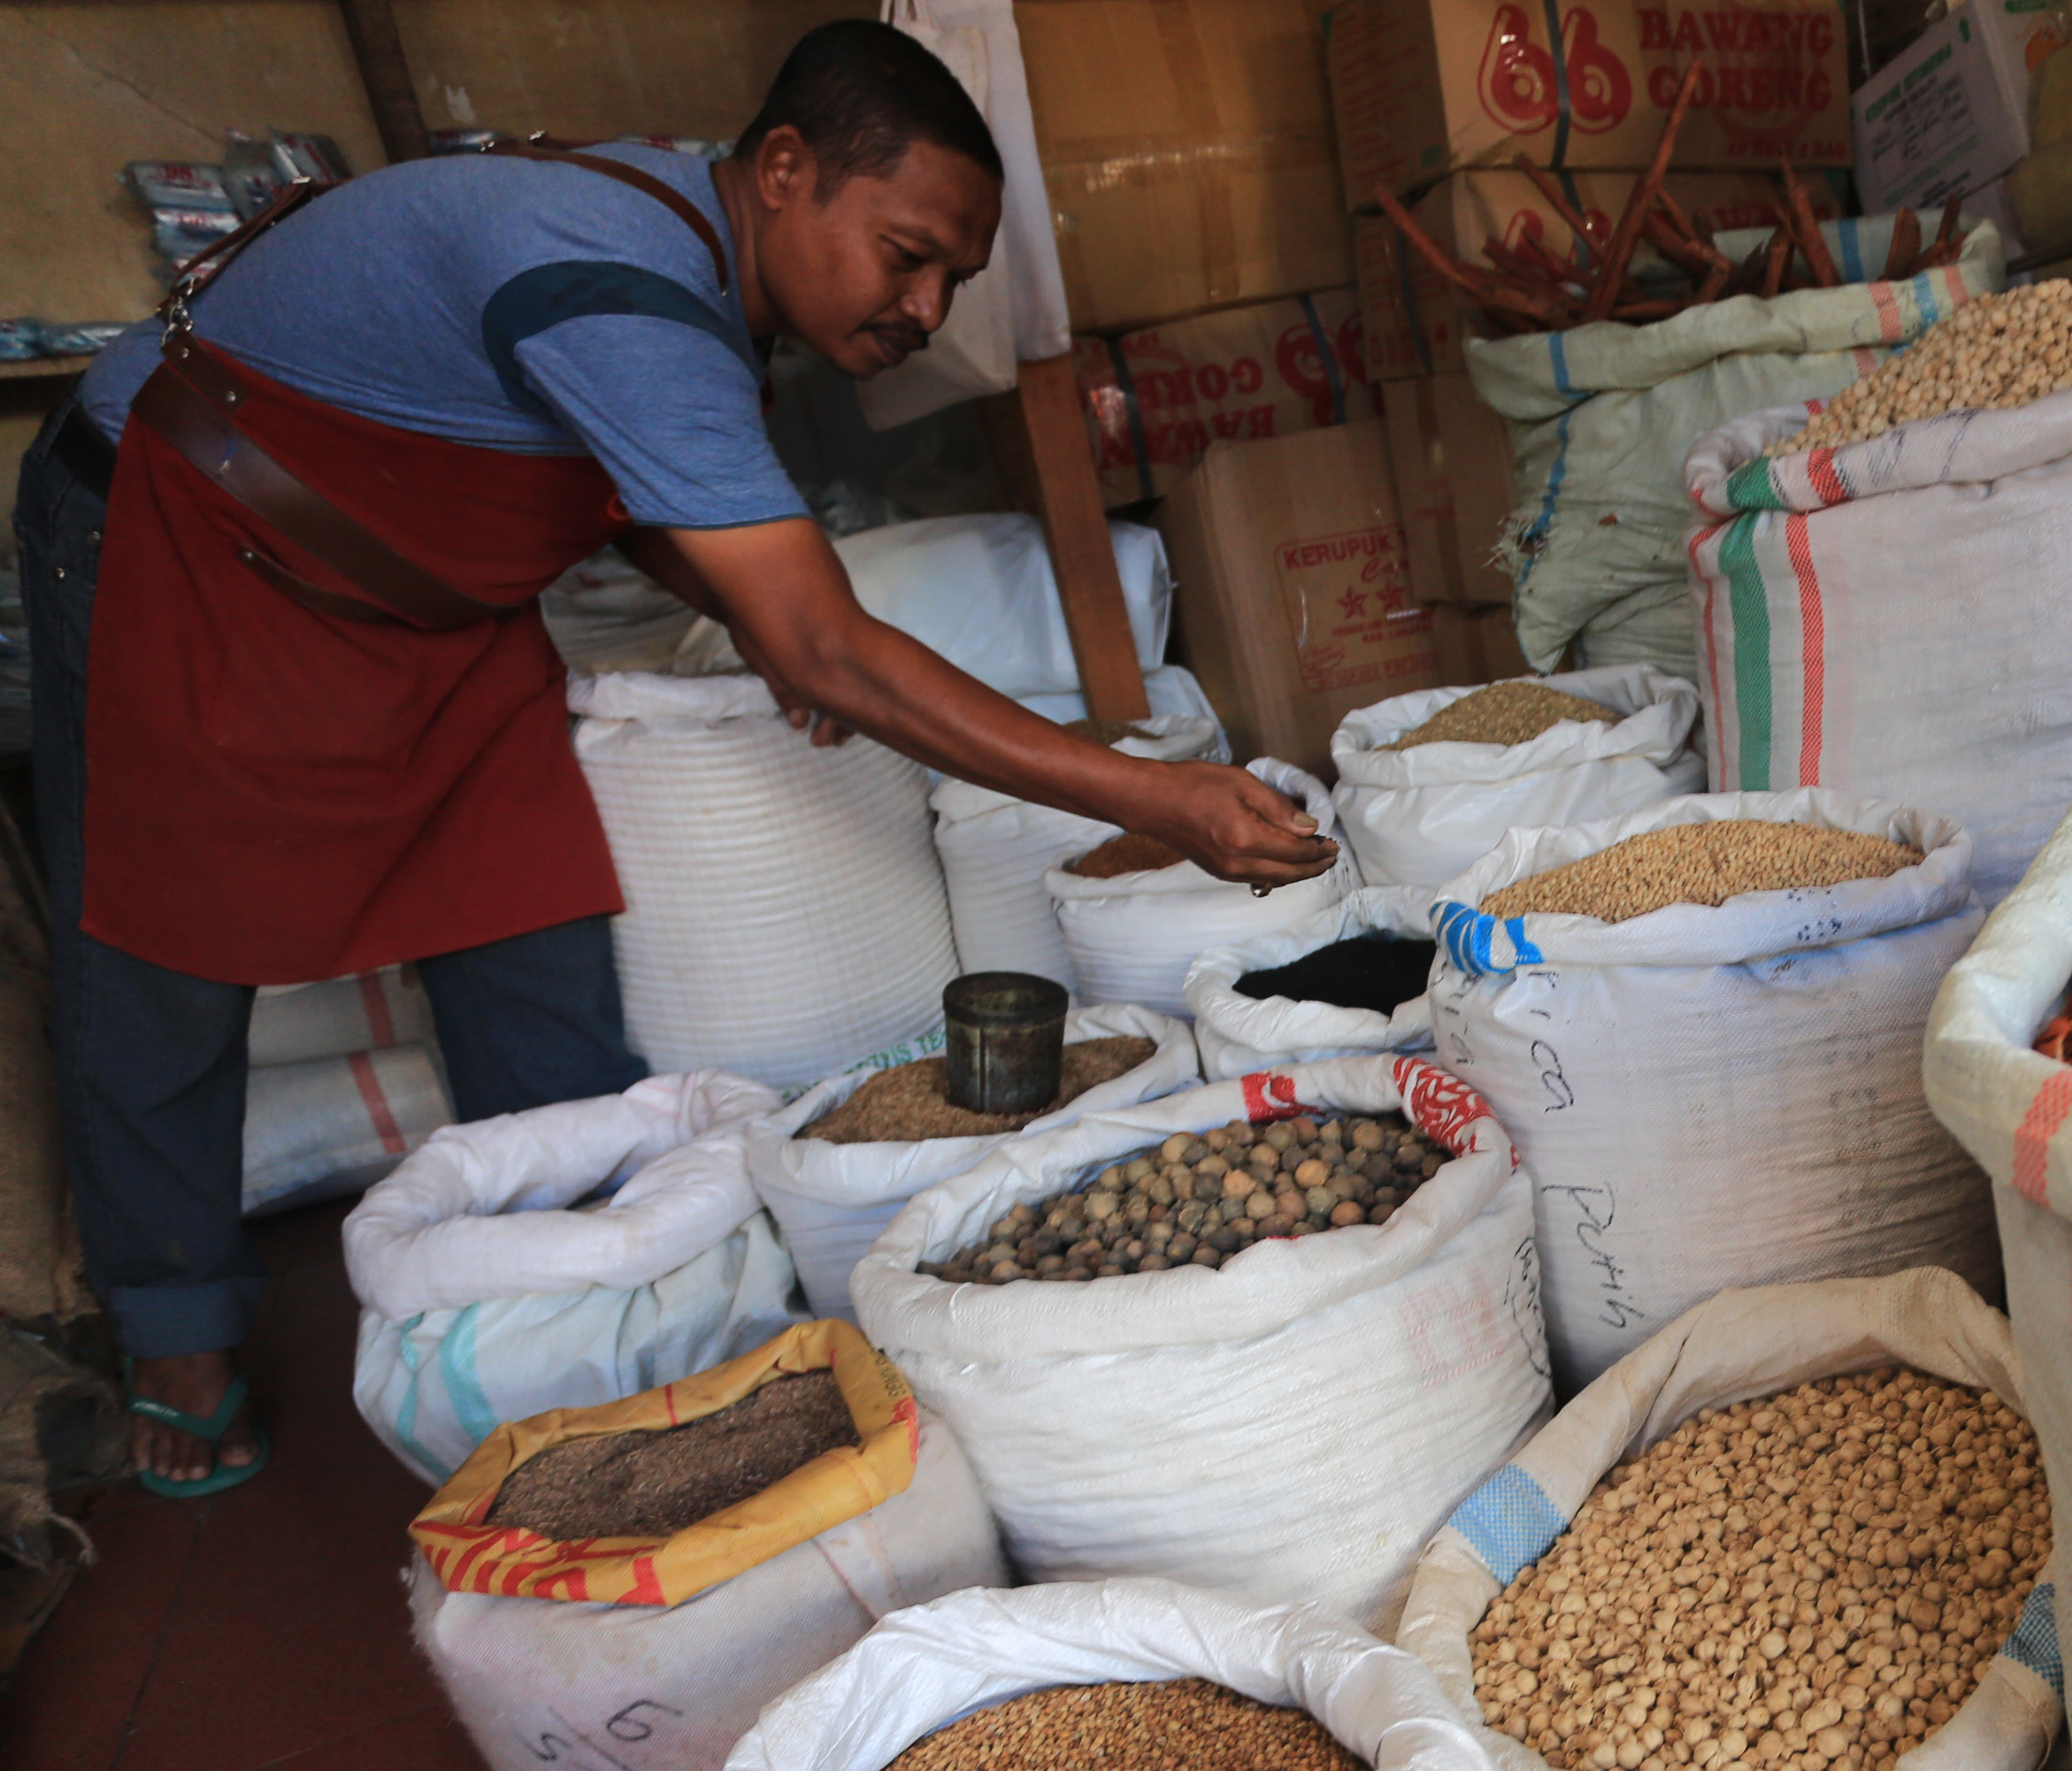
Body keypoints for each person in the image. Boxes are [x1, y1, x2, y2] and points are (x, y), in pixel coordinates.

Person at [13, 19, 1333, 1496]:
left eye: (953, 276)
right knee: (163, 941)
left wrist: (766, 620)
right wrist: (1162, 797)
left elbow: (646, 503)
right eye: (905, 253)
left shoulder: (693, 272)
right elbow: (827, 640)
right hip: (194, 530)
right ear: (781, 171)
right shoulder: (623, 280)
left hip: (435, 600)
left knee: (529, 915)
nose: (924, 302)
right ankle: (175, 1329)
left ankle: (592, 1294)